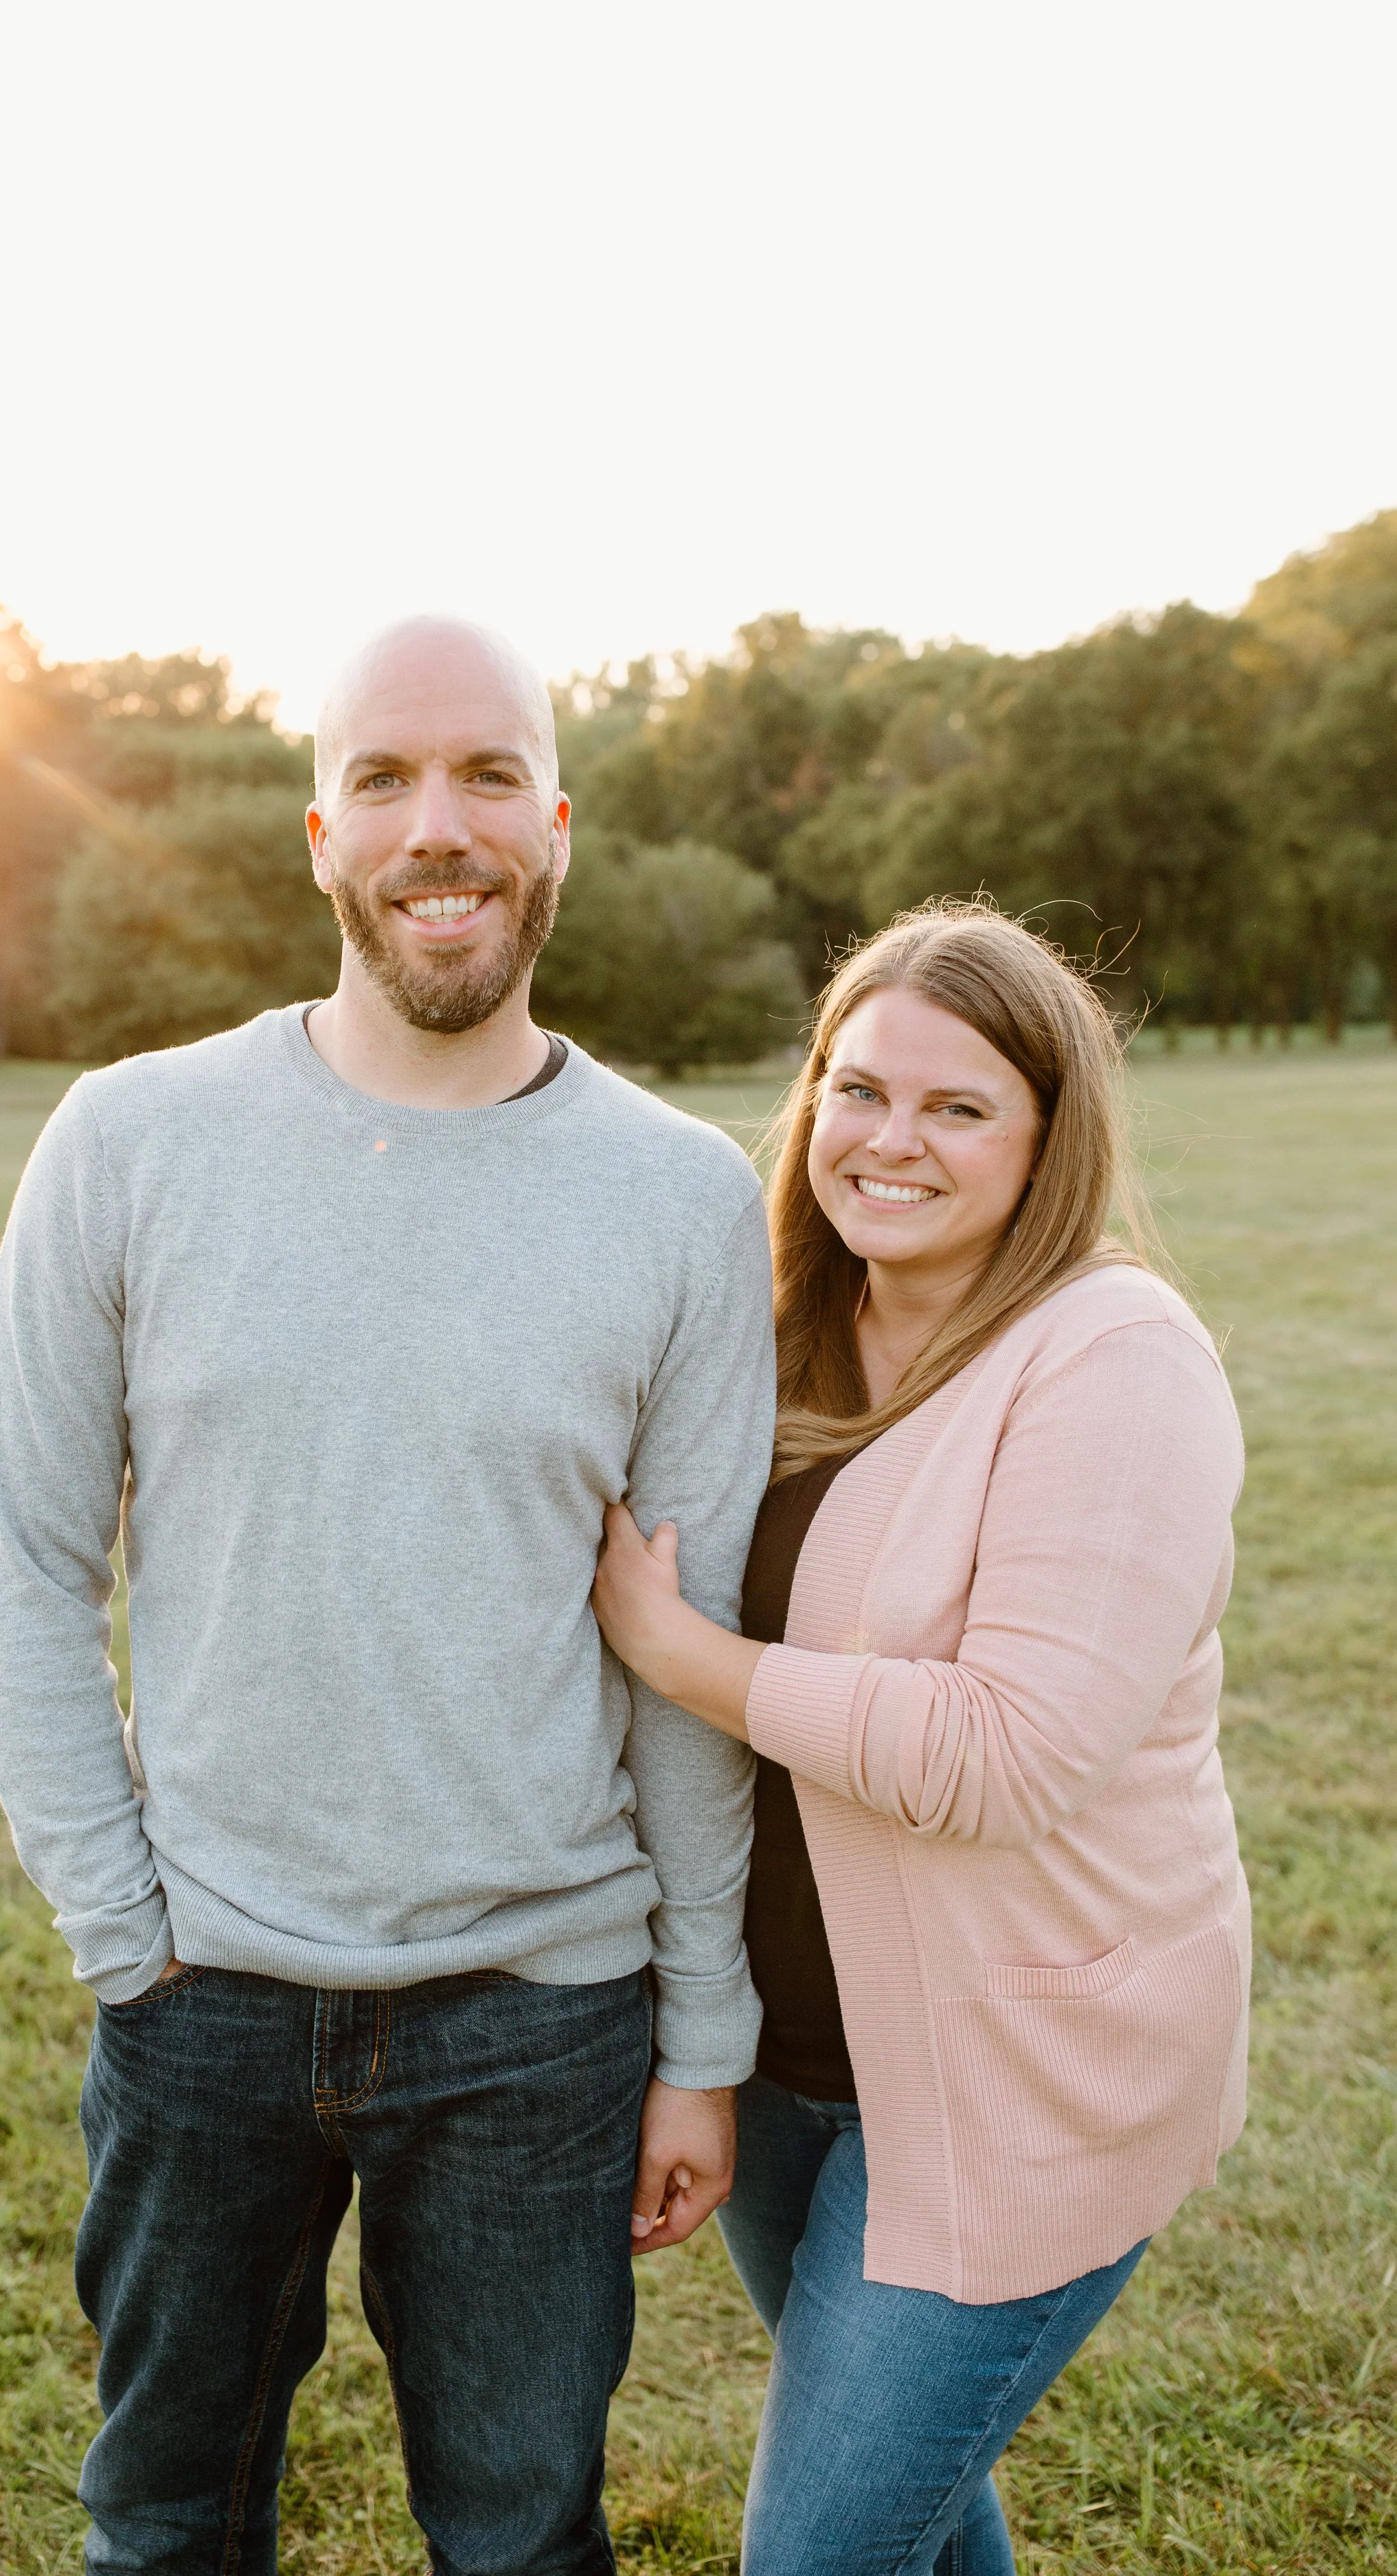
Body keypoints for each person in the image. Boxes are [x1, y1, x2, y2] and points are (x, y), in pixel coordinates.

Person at [0, 616, 776, 2576]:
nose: (444, 825)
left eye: (491, 774)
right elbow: (25, 1559)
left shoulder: (678, 1196)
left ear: (555, 827)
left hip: (541, 2013)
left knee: (517, 2533)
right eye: (392, 779)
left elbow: (685, 1651)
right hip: (202, 1992)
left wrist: (697, 2030)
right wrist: (122, 1927)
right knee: (163, 2521)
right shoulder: (130, 1142)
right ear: (320, 829)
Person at [591, 902, 1249, 2576]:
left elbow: (1011, 1750)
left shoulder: (1114, 1360)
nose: (888, 1141)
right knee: (920, 2516)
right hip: (781, 2055)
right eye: (857, 1088)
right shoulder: (774, 1326)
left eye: (957, 1108)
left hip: (1012, 2076)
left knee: (818, 2554)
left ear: (1045, 1144)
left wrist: (689, 1656)